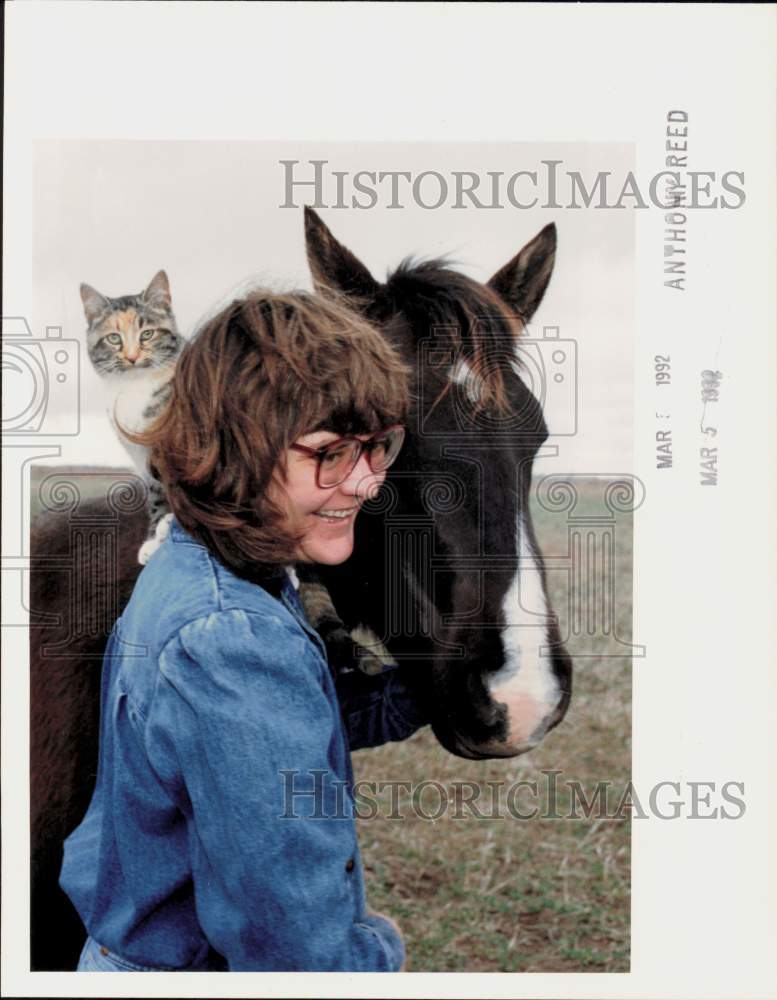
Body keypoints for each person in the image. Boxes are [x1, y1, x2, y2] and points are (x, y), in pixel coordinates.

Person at [59, 290, 430, 972]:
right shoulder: (228, 637)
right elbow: (295, 950)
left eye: (378, 447)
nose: (365, 481)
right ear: (237, 448)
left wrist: (432, 683)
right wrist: (377, 951)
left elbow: (298, 721)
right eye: (330, 452)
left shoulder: (214, 563)